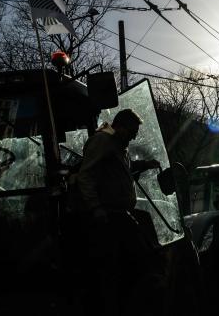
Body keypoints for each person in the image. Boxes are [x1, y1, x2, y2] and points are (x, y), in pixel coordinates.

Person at [71, 108, 160, 315]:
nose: (134, 136)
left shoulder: (118, 146)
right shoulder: (102, 141)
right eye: (132, 131)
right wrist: (96, 208)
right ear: (120, 127)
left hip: (118, 215)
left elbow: (121, 171)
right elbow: (86, 176)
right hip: (108, 218)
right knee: (125, 266)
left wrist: (145, 165)